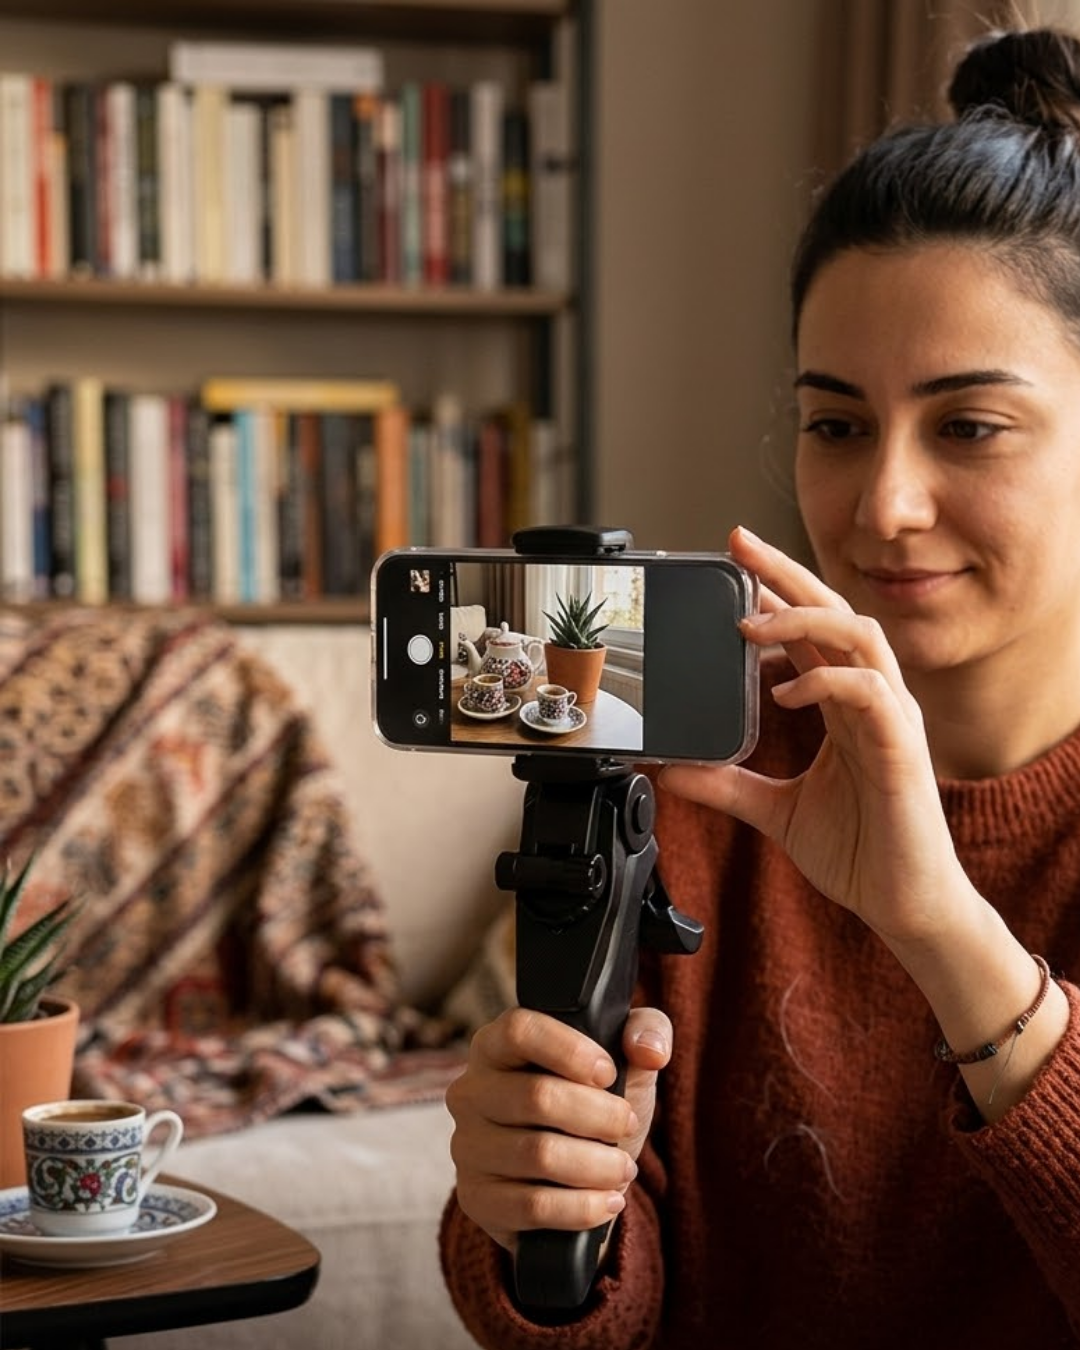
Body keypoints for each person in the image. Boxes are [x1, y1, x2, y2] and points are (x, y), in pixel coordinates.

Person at [439, 25, 1080, 1349]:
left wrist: (940, 926)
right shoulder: (698, 758)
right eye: (836, 424)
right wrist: (537, 1216)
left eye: (969, 424)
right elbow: (604, 1304)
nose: (885, 506)